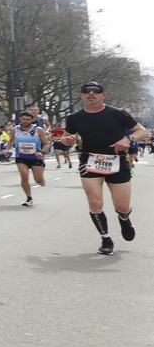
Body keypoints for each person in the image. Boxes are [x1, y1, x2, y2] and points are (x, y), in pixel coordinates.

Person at [59, 81, 150, 255]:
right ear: (82, 96)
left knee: (122, 206)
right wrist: (67, 140)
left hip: (117, 161)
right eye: (87, 91)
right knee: (95, 203)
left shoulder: (118, 114)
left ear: (103, 95)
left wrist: (128, 139)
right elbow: (66, 136)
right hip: (89, 161)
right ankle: (106, 238)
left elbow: (142, 132)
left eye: (96, 91)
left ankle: (124, 218)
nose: (91, 93)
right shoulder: (75, 117)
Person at [11, 110, 50, 207]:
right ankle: (29, 198)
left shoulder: (38, 130)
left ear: (32, 120)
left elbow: (46, 144)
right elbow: (11, 141)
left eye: (28, 119)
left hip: (35, 157)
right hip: (21, 157)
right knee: (24, 176)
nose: (25, 121)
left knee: (38, 180)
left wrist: (42, 152)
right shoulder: (15, 129)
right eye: (23, 119)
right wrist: (7, 149)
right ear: (20, 119)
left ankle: (41, 176)